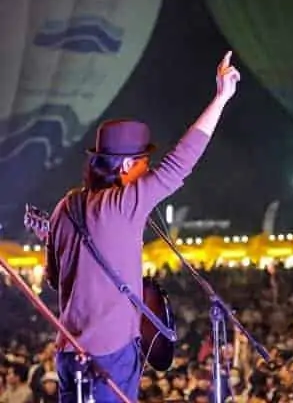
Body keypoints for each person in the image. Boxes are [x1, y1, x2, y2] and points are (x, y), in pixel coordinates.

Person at [44, 52, 241, 403]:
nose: (146, 174)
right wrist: (221, 98)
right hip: (110, 354)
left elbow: (54, 279)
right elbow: (181, 161)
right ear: (125, 166)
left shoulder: (65, 206)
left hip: (68, 352)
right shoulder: (122, 205)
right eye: (143, 165)